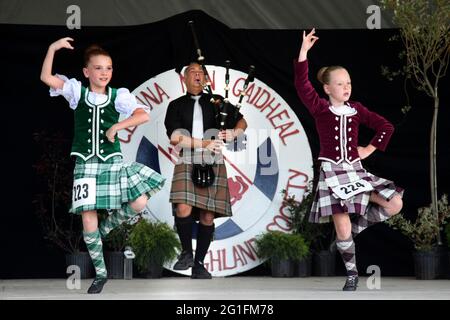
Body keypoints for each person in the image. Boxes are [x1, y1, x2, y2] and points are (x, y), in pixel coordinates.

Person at [40, 37, 165, 293]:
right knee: (88, 219)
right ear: (87, 72)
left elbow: (144, 114)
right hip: (85, 164)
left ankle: (104, 229)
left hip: (111, 161)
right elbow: (47, 78)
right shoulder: (77, 92)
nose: (104, 73)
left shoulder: (119, 96)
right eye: (98, 68)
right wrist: (52, 49)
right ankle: (101, 274)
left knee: (139, 201)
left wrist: (118, 126)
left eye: (108, 68)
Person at [294, 29, 403, 291]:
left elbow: (386, 126)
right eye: (341, 84)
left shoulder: (357, 110)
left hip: (355, 170)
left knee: (394, 203)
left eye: (349, 83)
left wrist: (368, 148)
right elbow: (301, 85)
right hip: (332, 173)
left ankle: (356, 230)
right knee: (341, 224)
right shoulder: (320, 108)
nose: (346, 87)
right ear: (328, 87)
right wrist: (304, 52)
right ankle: (352, 274)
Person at [164, 62, 247, 279]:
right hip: (188, 157)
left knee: (208, 216)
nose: (198, 75)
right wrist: (203, 144)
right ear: (184, 79)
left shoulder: (217, 101)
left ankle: (199, 264)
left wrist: (233, 134)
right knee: (182, 208)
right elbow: (174, 137)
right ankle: (186, 253)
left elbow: (241, 122)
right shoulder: (175, 105)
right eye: (193, 72)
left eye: (201, 73)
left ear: (207, 79)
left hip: (213, 160)